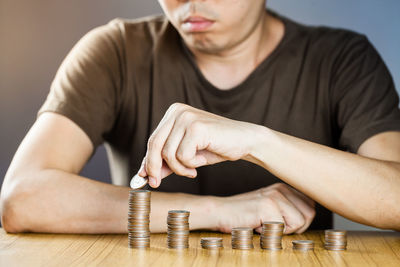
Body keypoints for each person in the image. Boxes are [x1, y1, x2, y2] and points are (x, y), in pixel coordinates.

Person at [1, 0, 400, 234]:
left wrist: (257, 142)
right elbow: (22, 197)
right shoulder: (115, 50)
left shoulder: (343, 59)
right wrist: (218, 212)